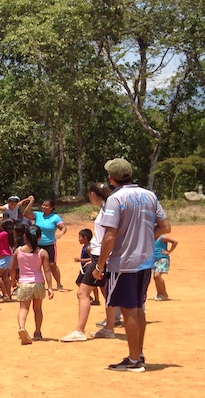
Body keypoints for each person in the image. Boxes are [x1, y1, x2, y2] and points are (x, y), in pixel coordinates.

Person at [92, 158, 171, 372]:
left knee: (128, 311)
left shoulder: (115, 199)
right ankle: (138, 354)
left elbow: (109, 235)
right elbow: (165, 226)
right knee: (138, 309)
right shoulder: (149, 195)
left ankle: (134, 360)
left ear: (111, 178)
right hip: (145, 261)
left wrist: (100, 266)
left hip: (123, 262)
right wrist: (145, 238)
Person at [61, 184, 113, 343]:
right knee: (107, 293)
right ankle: (109, 328)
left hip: (100, 256)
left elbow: (108, 236)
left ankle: (79, 330)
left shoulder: (106, 210)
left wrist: (99, 264)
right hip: (108, 256)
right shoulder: (109, 207)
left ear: (92, 194)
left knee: (82, 293)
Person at [11, 225, 54, 344]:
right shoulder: (42, 252)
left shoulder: (18, 251)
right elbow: (47, 270)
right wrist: (50, 287)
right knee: (38, 309)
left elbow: (13, 268)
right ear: (39, 237)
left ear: (25, 236)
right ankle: (38, 332)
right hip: (38, 283)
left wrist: (13, 280)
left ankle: (22, 328)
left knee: (23, 309)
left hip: (24, 283)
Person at [22, 196, 67, 290]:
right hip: (37, 244)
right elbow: (26, 214)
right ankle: (35, 281)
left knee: (52, 265)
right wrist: (31, 202)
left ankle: (59, 284)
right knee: (35, 263)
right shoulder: (38, 215)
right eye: (43, 205)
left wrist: (61, 233)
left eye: (46, 205)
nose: (43, 207)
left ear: (52, 207)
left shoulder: (55, 217)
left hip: (49, 244)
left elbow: (63, 227)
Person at [153, 233, 179, 300]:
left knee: (157, 276)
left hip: (162, 258)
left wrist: (169, 251)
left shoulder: (162, 237)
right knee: (155, 277)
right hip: (155, 260)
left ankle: (164, 294)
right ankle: (159, 294)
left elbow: (175, 242)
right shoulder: (151, 238)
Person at [0, 219, 15, 301]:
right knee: (4, 277)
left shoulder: (3, 234)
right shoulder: (7, 233)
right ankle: (8, 295)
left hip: (5, 258)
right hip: (7, 257)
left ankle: (5, 295)